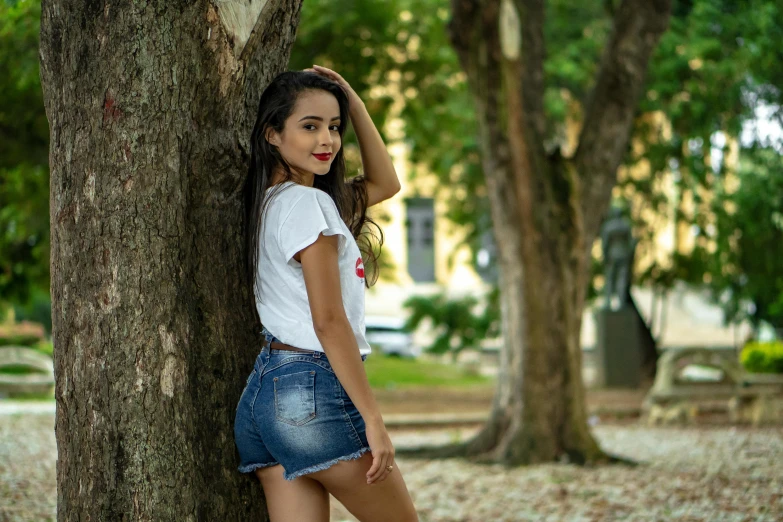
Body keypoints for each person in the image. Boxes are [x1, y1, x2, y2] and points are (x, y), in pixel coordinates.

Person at [234, 66, 419, 522]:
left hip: (264, 402)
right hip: (311, 393)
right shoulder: (307, 205)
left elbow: (386, 184)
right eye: (310, 126)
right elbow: (328, 321)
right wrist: (373, 422)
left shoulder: (272, 201)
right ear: (272, 134)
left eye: (335, 128)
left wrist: (351, 103)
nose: (328, 141)